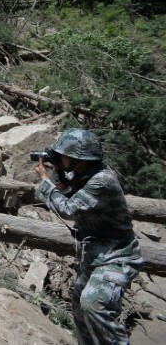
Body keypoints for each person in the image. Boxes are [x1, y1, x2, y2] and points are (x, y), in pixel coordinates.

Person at [33, 129, 143, 345]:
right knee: (81, 310)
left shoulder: (101, 181)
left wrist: (45, 180)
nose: (59, 157)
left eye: (62, 155)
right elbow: (62, 192)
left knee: (93, 305)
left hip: (116, 258)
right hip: (95, 256)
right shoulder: (82, 175)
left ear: (78, 160)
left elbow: (68, 209)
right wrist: (56, 172)